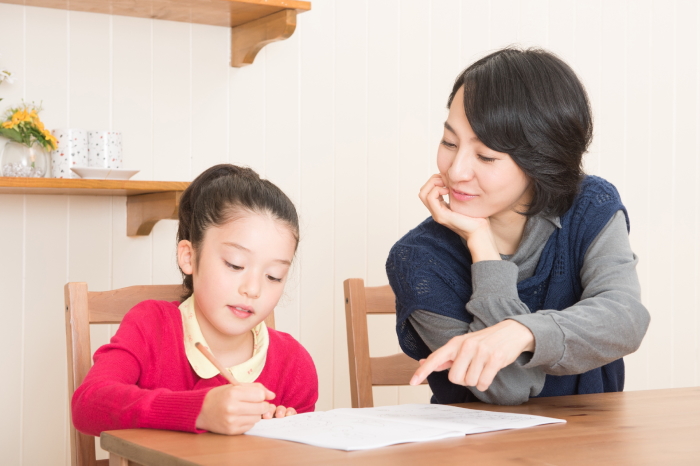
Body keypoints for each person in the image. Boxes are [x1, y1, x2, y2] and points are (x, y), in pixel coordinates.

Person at [386, 47, 650, 406]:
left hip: (594, 443)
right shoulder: (418, 259)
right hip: (477, 452)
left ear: (541, 159)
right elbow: (508, 388)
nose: (456, 170)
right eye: (449, 142)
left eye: (486, 155)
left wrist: (521, 332)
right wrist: (483, 249)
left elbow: (625, 318)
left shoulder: (588, 205)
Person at [72, 164, 318, 436]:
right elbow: (88, 405)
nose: (253, 289)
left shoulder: (293, 363)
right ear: (189, 256)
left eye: (274, 276)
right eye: (235, 265)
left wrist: (284, 437)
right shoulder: (151, 325)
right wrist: (200, 410)